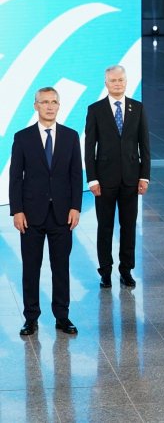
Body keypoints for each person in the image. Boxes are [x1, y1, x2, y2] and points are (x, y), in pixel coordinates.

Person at [9, 87, 82, 336]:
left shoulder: (70, 136)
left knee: (61, 267)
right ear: (36, 106)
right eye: (44, 102)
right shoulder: (22, 137)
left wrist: (75, 207)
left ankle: (62, 316)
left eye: (54, 102)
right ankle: (31, 318)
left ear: (59, 105)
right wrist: (17, 211)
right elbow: (15, 177)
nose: (50, 106)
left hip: (62, 214)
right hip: (31, 214)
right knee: (31, 268)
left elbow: (75, 175)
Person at [84, 65, 151, 288]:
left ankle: (126, 270)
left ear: (126, 81)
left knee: (129, 226)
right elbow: (89, 147)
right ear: (106, 83)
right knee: (105, 227)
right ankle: (105, 271)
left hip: (131, 179)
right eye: (113, 80)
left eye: (121, 80)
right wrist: (92, 179)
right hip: (104, 180)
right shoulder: (95, 110)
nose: (117, 84)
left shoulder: (137, 108)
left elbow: (144, 145)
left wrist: (144, 176)